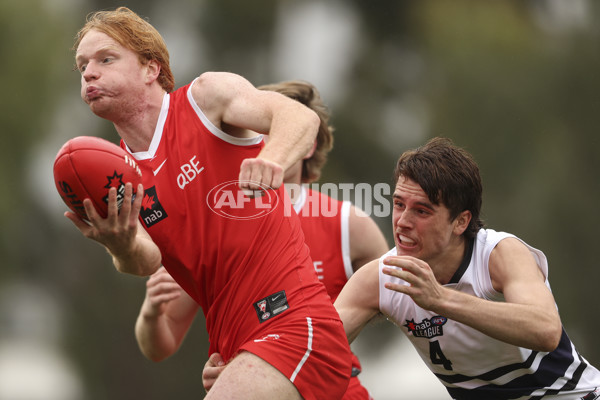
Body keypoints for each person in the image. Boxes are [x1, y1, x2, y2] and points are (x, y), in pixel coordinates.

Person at [68, 7, 353, 400]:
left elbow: (300, 118)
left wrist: (272, 160)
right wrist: (119, 242)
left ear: (151, 69)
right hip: (234, 347)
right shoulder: (121, 176)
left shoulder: (206, 99)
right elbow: (146, 261)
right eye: (82, 65)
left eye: (106, 59)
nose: (89, 72)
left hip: (292, 322)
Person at [135, 80, 390, 399]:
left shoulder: (347, 223)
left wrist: (272, 354)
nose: (256, 138)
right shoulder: (216, 223)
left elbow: (395, 295)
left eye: (268, 127)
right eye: (253, 127)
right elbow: (161, 344)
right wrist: (151, 311)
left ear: (306, 143)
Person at [334, 137, 600, 399]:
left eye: (422, 211)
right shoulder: (380, 278)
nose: (402, 221)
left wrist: (441, 299)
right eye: (399, 204)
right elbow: (314, 349)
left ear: (460, 222)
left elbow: (546, 331)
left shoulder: (499, 254)